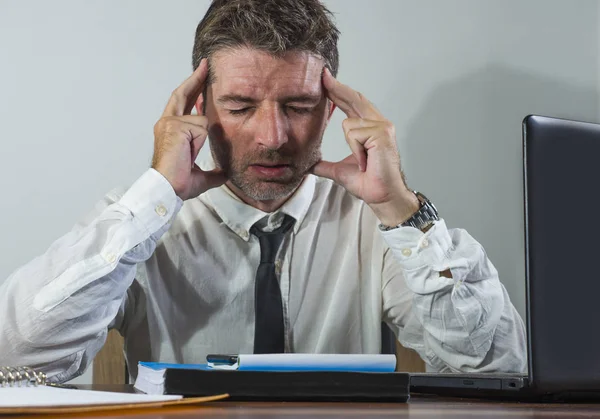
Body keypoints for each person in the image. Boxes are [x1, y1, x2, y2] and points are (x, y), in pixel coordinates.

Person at [0, 0, 526, 383]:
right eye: (240, 107)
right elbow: (17, 359)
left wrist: (399, 208)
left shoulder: (379, 226)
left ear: (333, 110)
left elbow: (500, 369)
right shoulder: (139, 225)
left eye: (298, 106)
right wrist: (154, 195)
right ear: (198, 109)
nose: (273, 138)